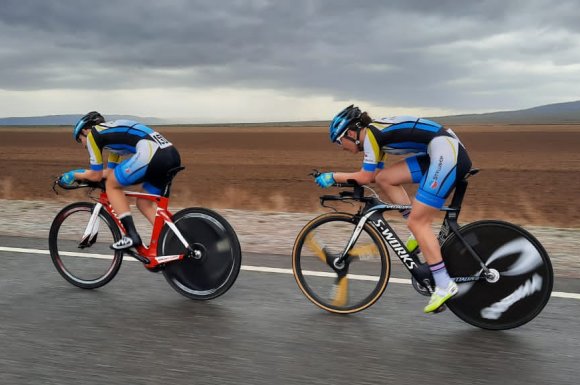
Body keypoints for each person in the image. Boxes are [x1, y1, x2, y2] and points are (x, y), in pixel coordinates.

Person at [315, 105, 472, 313]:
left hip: (447, 152)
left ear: (351, 133)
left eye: (339, 141)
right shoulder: (375, 138)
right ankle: (415, 235)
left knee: (418, 221)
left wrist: (332, 176)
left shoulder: (370, 135)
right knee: (385, 178)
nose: (340, 146)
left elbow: (364, 177)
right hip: (441, 150)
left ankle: (444, 284)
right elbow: (375, 176)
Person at [59, 111, 181, 250]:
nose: (82, 145)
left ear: (86, 130)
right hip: (170, 154)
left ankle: (131, 235)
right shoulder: (112, 142)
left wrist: (73, 175)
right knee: (143, 203)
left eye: (79, 139)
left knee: (112, 185)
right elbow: (110, 171)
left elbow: (96, 175)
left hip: (153, 154)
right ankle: (172, 243)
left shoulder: (93, 134)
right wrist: (90, 175)